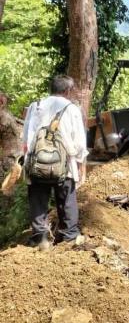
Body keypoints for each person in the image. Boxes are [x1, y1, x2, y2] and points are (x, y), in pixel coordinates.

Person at [21, 75, 88, 251]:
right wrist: (81, 167)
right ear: (67, 91)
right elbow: (80, 143)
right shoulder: (72, 109)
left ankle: (40, 237)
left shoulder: (34, 106)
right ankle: (69, 237)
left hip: (36, 164)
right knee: (66, 199)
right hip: (64, 165)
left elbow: (26, 139)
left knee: (38, 199)